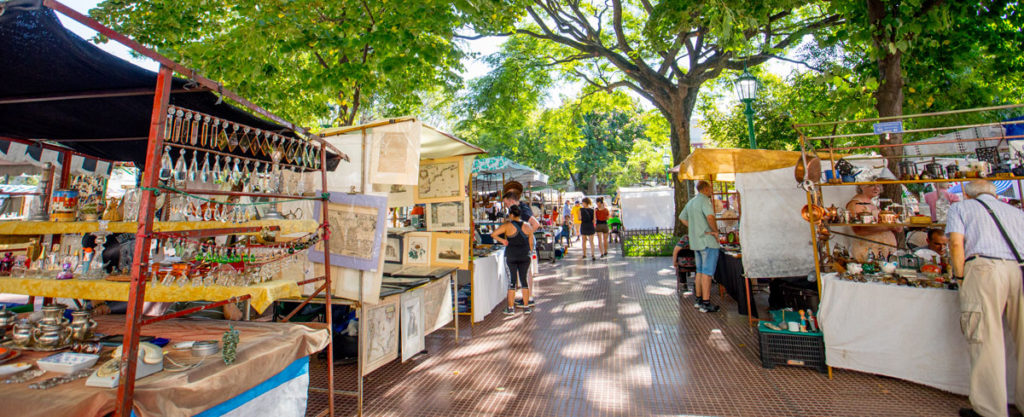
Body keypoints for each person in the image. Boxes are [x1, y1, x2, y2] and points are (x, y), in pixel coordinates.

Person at [947, 180, 1024, 417]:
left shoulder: (961, 208)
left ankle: (991, 410)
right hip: (1019, 270)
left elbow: (956, 242)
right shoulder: (1016, 212)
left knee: (985, 338)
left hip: (984, 270)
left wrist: (960, 277)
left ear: (967, 195)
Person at [679, 181, 720, 313]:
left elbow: (682, 218)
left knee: (700, 272)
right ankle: (706, 302)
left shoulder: (691, 202)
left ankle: (698, 299)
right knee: (707, 273)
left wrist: (694, 228)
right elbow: (710, 217)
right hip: (707, 241)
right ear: (706, 189)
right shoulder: (705, 201)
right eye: (710, 188)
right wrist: (715, 231)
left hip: (696, 242)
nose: (711, 191)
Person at [490, 205, 536, 315]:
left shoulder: (507, 225)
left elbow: (493, 234)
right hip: (525, 256)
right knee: (524, 280)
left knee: (512, 282)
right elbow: (531, 243)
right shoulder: (528, 226)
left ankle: (510, 308)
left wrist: (503, 241)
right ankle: (526, 306)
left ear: (511, 214)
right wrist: (529, 252)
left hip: (511, 256)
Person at [845, 182, 902, 262]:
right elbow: (859, 230)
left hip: (883, 252)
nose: (876, 188)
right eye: (872, 185)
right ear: (862, 186)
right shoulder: (856, 203)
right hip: (869, 251)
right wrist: (889, 227)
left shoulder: (871, 203)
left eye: (878, 185)